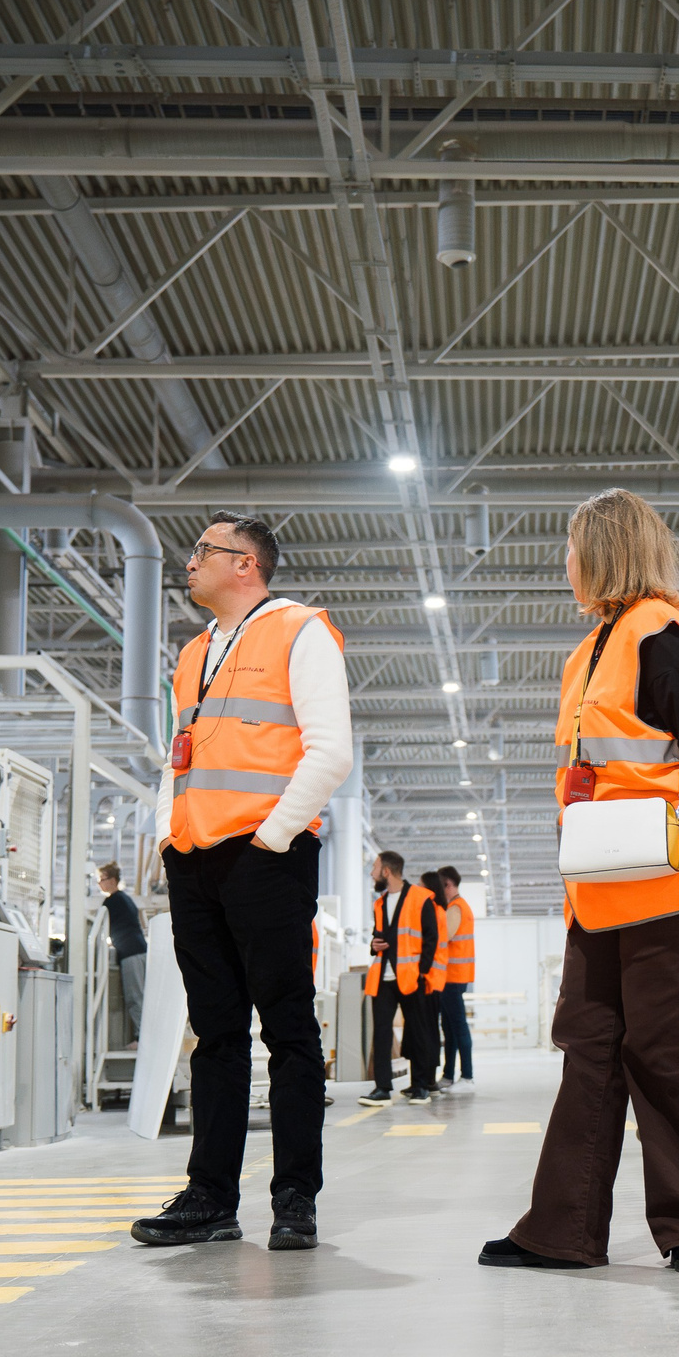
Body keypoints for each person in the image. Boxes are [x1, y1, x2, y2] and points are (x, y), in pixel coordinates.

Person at [483, 489, 679, 1275]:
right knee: (589, 1047)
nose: (565, 564)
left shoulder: (657, 637)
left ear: (603, 551)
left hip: (667, 883)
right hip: (601, 888)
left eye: (572, 548)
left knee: (669, 1049)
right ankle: (561, 1230)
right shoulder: (594, 647)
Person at [131, 513, 354, 1254]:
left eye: (203, 551)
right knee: (216, 1032)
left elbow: (330, 752)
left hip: (265, 855)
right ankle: (210, 1196)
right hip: (195, 858)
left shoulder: (300, 631)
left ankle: (294, 1195)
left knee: (288, 1029)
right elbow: (179, 754)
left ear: (247, 564)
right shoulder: (194, 652)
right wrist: (168, 832)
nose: (189, 562)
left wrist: (273, 835)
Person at [359, 851, 440, 1107]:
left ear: (386, 871)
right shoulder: (379, 903)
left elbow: (431, 938)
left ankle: (420, 1086)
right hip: (383, 977)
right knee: (381, 1033)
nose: (372, 872)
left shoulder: (421, 897)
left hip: (410, 977)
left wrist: (421, 972)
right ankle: (382, 1087)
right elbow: (378, 936)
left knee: (416, 1032)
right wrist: (374, 944)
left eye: (375, 867)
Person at [434, 866, 477, 1090]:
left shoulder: (456, 908)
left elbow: (444, 937)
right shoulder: (459, 906)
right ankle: (448, 1075)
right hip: (452, 977)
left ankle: (467, 1077)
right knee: (450, 1028)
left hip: (452, 977)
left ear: (448, 885)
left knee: (457, 1027)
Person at [97, 861, 148, 1043]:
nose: (100, 884)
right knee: (142, 995)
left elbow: (102, 928)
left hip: (130, 953)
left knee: (135, 997)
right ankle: (144, 1036)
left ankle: (142, 1038)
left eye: (102, 879)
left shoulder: (111, 901)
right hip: (140, 950)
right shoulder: (126, 899)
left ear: (112, 880)